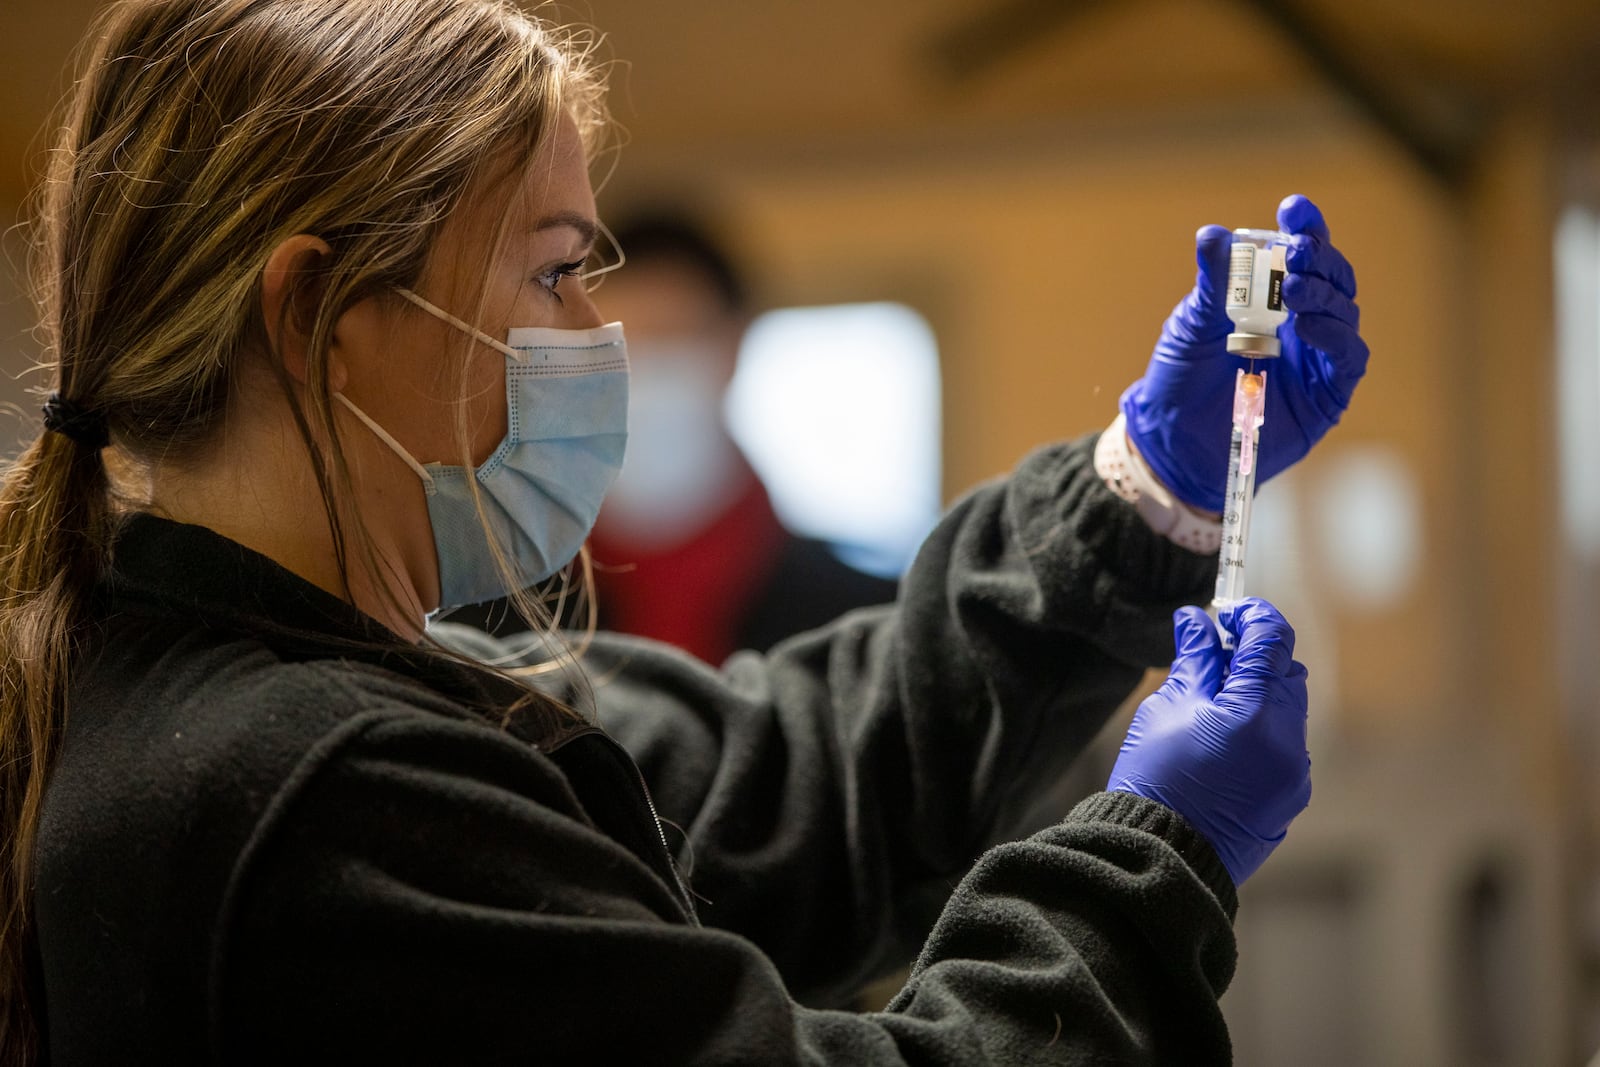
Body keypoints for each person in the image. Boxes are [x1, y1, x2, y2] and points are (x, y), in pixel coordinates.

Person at [0, 1, 1367, 1063]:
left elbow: (788, 784)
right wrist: (1156, 851)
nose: (603, 341)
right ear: (316, 320)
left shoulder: (355, 679)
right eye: (551, 274)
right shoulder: (314, 795)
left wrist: (1145, 487)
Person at [447, 211, 898, 662]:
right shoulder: (487, 623)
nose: (643, 373)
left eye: (672, 339)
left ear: (736, 348)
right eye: (615, 346)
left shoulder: (863, 624)